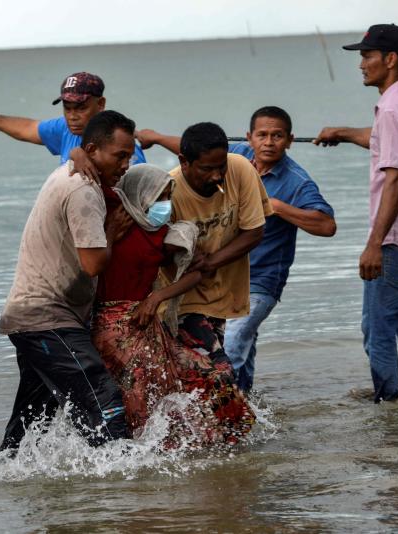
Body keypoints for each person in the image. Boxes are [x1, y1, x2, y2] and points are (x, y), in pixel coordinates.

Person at [140, 108, 337, 391]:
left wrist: (277, 207)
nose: (269, 142)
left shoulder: (290, 179)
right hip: (202, 283)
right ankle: (244, 403)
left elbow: (326, 226)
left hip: (256, 280)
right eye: (263, 135)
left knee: (233, 342)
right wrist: (156, 137)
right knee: (232, 348)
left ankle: (234, 407)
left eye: (277, 136)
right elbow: (192, 148)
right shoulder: (230, 159)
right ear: (249, 139)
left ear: (289, 140)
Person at [313, 24, 398, 403]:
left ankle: (388, 406)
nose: (361, 64)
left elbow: (395, 179)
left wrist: (374, 244)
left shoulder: (391, 110)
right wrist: (343, 132)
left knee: (377, 330)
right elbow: (387, 140)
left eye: (367, 56)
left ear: (390, 59)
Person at [0, 110, 137, 453]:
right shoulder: (83, 189)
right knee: (104, 400)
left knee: (33, 423)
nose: (126, 165)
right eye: (120, 156)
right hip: (48, 318)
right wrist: (113, 232)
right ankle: (123, 484)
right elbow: (92, 264)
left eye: (130, 156)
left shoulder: (73, 170)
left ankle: (4, 479)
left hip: (32, 316)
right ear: (93, 150)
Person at [91, 163, 254, 444]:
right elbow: (92, 177)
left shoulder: (160, 234)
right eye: (159, 197)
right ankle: (141, 458)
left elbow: (196, 272)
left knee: (212, 376)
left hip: (146, 323)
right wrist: (79, 154)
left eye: (168, 196)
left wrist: (157, 297)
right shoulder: (114, 219)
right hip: (110, 328)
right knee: (142, 396)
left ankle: (227, 443)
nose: (165, 205)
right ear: (139, 194)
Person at [155, 122, 266, 375]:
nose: (216, 176)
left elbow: (255, 231)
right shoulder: (169, 192)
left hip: (221, 295)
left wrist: (210, 262)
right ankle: (243, 415)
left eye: (220, 167)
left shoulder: (240, 170)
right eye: (206, 169)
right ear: (184, 161)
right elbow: (160, 257)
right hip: (181, 300)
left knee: (198, 380)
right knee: (219, 371)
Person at [0, 72, 146, 174]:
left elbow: (139, 196)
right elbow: (28, 128)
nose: (72, 116)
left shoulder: (120, 145)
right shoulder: (65, 129)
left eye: (81, 108)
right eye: (68, 108)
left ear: (100, 104)